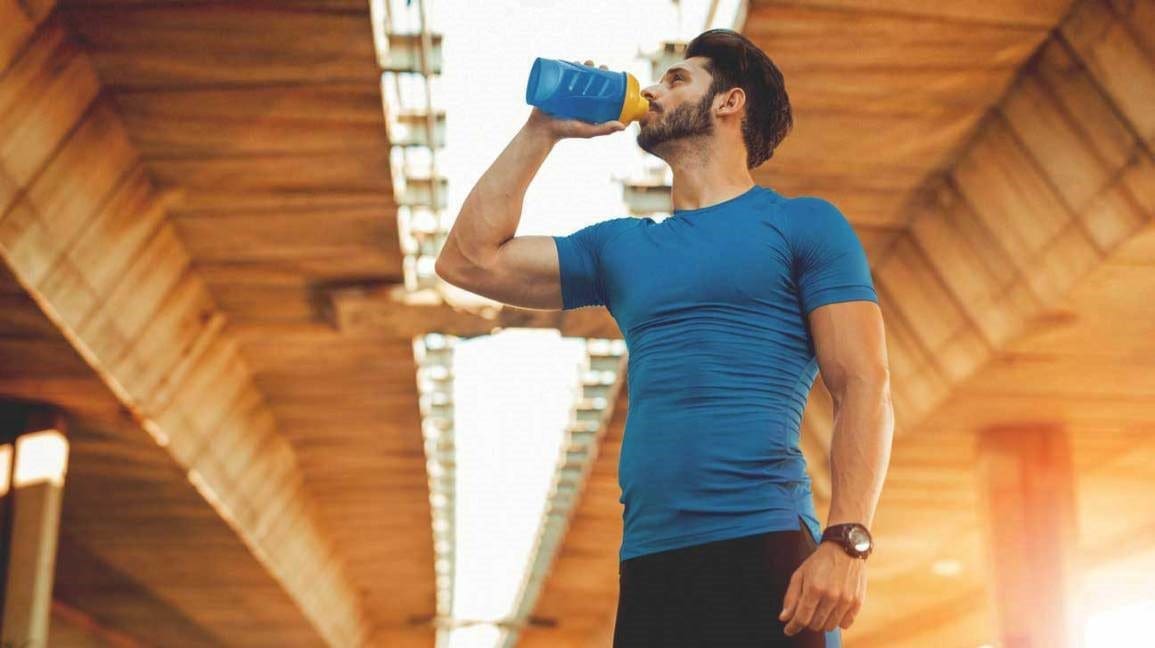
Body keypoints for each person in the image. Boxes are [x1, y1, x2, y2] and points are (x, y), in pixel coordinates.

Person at [435, 28, 893, 647]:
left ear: (729, 103)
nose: (651, 90)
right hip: (651, 562)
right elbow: (467, 261)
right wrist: (541, 130)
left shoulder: (802, 224)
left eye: (677, 79)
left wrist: (847, 540)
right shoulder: (621, 246)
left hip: (763, 545)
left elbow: (863, 383)